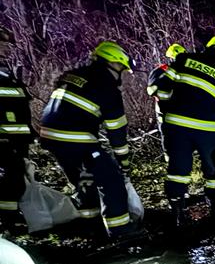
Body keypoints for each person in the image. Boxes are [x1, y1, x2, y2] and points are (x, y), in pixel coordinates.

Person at [39, 41, 136, 238]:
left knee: (84, 180)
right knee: (112, 181)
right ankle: (121, 231)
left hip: (50, 136)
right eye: (122, 68)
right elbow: (117, 131)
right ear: (114, 63)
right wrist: (123, 162)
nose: (121, 74)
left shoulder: (74, 75)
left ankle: (91, 225)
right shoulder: (107, 86)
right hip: (75, 138)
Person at [158, 34, 215, 225]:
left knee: (178, 170)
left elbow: (162, 88)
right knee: (214, 171)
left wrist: (167, 111)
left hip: (177, 126)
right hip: (207, 130)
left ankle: (178, 215)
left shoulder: (184, 59)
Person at [0, 27, 33, 233]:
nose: (7, 48)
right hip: (5, 138)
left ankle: (11, 216)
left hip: (16, 138)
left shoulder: (6, 70)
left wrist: (28, 134)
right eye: (3, 44)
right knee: (9, 178)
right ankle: (8, 220)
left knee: (15, 177)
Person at [147, 42, 186, 153]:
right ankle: (169, 156)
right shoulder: (160, 71)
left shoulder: (185, 72)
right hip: (164, 110)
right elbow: (151, 90)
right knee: (168, 137)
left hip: (181, 110)